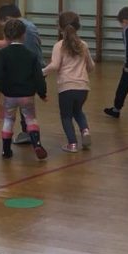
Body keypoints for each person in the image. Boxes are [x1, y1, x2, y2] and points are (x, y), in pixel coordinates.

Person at [0, 3, 43, 145]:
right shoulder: (30, 26)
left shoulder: (21, 28)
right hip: (35, 67)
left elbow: (6, 44)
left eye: (3, 25)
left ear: (7, 19)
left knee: (17, 107)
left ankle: (25, 134)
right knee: (27, 103)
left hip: (25, 70)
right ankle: (30, 133)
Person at [0, 18, 48, 160]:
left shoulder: (3, 54)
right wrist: (42, 93)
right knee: (30, 119)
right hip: (27, 95)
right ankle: (37, 144)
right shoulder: (31, 55)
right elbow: (38, 76)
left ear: (5, 36)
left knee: (8, 120)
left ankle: (6, 150)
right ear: (24, 35)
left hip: (10, 95)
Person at [43, 11, 94, 152]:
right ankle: (85, 130)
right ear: (78, 26)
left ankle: (72, 144)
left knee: (66, 116)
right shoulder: (83, 45)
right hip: (83, 87)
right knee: (78, 111)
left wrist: (42, 72)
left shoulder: (59, 46)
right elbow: (91, 66)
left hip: (66, 87)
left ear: (59, 27)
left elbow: (54, 65)